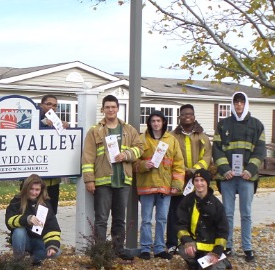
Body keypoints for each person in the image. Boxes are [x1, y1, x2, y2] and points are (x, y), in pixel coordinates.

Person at [81, 94, 142, 260]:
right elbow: (87, 157)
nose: (110, 110)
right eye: (107, 107)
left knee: (119, 219)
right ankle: (100, 252)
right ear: (102, 109)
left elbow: (139, 148)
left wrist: (127, 154)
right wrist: (89, 179)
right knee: (101, 219)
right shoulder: (95, 131)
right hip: (103, 181)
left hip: (123, 180)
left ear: (117, 108)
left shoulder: (128, 129)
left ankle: (118, 250)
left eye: (113, 107)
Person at [212, 91, 266, 262]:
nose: (239, 105)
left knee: (246, 214)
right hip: (227, 177)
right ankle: (227, 246)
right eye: (236, 102)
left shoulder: (257, 125)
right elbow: (217, 149)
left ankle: (247, 247)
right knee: (227, 213)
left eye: (242, 102)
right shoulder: (223, 125)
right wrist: (225, 169)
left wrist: (250, 169)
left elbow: (260, 151)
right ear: (232, 104)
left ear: (246, 104)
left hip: (246, 177)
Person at [134, 110, 186, 260]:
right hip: (147, 186)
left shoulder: (172, 140)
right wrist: (144, 165)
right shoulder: (142, 139)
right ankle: (145, 248)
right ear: (149, 123)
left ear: (163, 122)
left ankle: (159, 248)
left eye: (158, 121)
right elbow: (134, 163)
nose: (156, 124)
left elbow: (178, 164)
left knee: (162, 219)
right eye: (153, 121)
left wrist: (177, 184)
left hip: (165, 187)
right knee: (146, 220)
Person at [168, 104, 212, 254]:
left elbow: (206, 157)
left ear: (194, 116)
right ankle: (172, 244)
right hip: (178, 180)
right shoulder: (172, 136)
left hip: (196, 182)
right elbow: (169, 156)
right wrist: (181, 171)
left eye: (190, 114)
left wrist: (193, 171)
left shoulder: (202, 136)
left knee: (195, 213)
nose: (187, 116)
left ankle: (195, 243)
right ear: (179, 117)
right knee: (175, 213)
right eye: (184, 114)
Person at [175, 169, 231, 270]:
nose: (199, 183)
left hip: (212, 248)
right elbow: (180, 225)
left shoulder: (216, 204)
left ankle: (222, 261)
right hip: (195, 244)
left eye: (202, 180)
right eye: (196, 180)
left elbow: (223, 230)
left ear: (207, 183)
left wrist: (216, 252)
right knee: (182, 249)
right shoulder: (187, 201)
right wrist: (187, 242)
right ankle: (195, 262)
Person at [5, 174, 62, 265]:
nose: (33, 192)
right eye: (31, 189)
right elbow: (9, 221)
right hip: (24, 239)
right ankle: (18, 262)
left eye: (37, 190)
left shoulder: (45, 204)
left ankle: (33, 259)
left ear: (41, 190)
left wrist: (52, 246)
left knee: (56, 252)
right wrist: (27, 219)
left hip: (39, 240)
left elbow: (52, 228)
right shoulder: (17, 200)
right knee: (19, 231)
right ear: (26, 188)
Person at [36, 94, 70, 215]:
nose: (52, 107)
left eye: (55, 105)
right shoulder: (33, 118)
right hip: (36, 181)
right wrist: (42, 122)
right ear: (41, 105)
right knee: (34, 213)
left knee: (51, 214)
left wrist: (66, 126)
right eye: (49, 104)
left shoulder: (56, 121)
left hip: (53, 180)